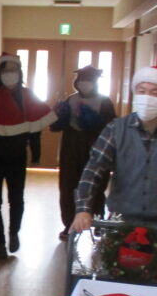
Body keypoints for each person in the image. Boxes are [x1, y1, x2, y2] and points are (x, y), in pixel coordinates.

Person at [71, 55, 157, 241]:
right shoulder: (116, 129)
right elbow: (94, 169)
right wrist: (83, 209)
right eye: (142, 91)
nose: (147, 97)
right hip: (121, 222)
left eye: (155, 93)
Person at [0, 53, 55, 260]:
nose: (9, 75)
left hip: (17, 157)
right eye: (6, 71)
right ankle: (0, 243)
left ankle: (14, 232)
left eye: (13, 71)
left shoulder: (28, 96)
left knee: (16, 199)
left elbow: (35, 129)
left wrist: (37, 154)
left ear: (19, 73)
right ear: (0, 74)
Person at [50, 65, 116, 240]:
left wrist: (95, 122)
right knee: (68, 186)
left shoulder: (104, 102)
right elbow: (58, 124)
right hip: (71, 148)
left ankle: (98, 220)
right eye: (81, 81)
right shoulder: (71, 99)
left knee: (96, 184)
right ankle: (69, 224)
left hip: (95, 148)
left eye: (88, 81)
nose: (84, 84)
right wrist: (59, 117)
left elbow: (111, 128)